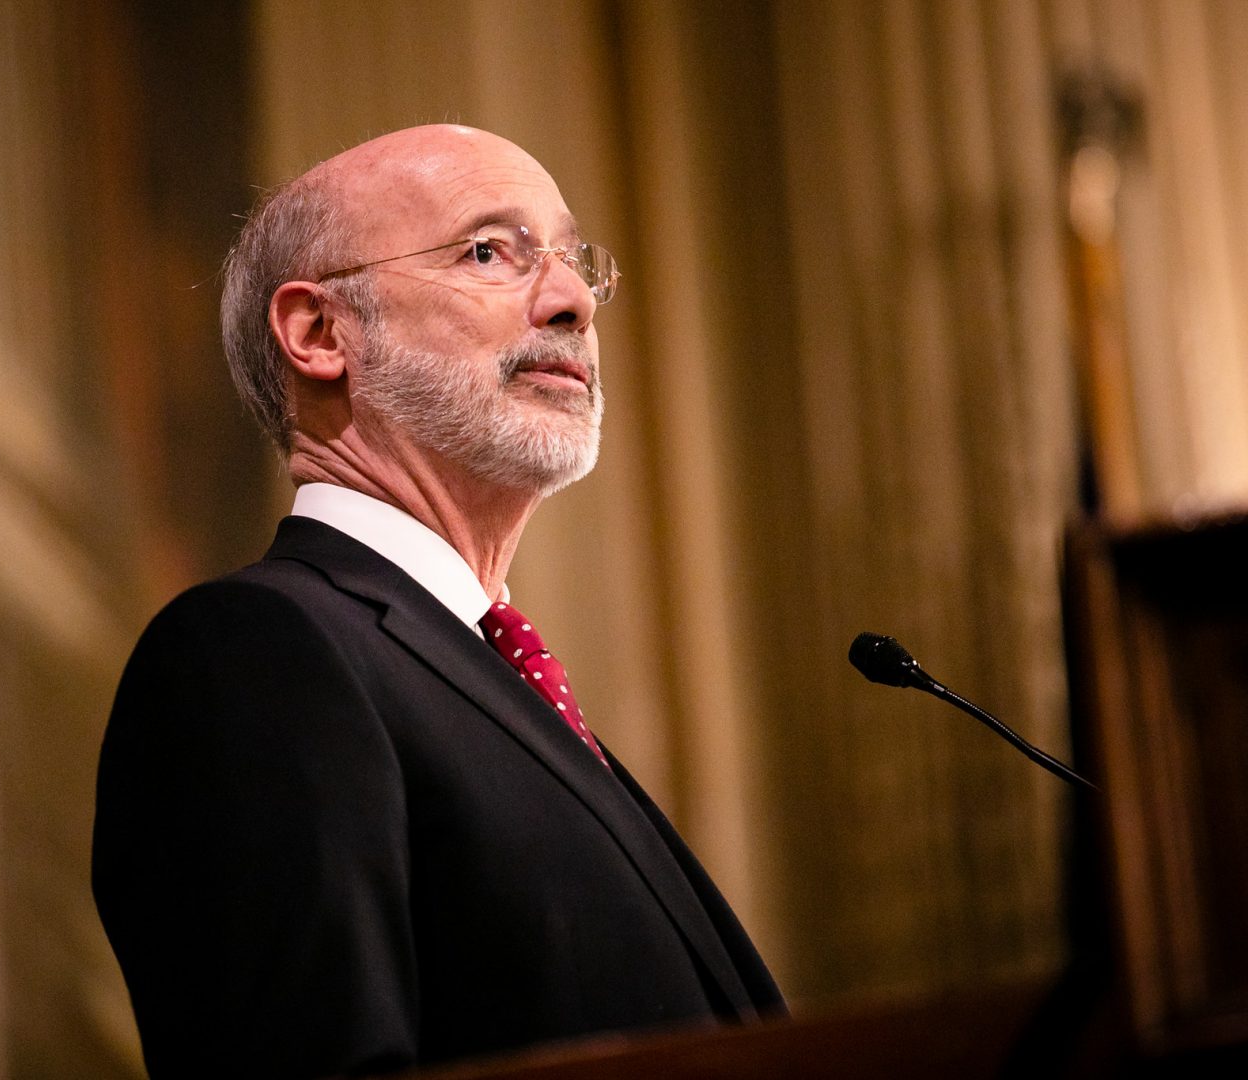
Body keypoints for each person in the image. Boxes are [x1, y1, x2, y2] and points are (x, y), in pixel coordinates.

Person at [91, 124, 783, 1079]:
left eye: (576, 260)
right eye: (491, 251)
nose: (575, 300)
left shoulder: (499, 684)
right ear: (320, 333)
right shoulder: (255, 657)